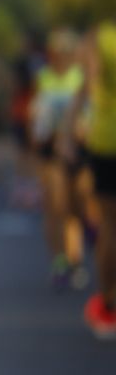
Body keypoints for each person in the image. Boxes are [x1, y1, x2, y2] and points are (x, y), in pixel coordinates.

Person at [31, 28, 87, 290]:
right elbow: (36, 116)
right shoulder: (42, 78)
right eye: (57, 53)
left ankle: (76, 258)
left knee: (76, 207)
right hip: (51, 150)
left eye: (67, 53)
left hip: (79, 150)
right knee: (55, 207)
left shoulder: (82, 79)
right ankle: (59, 260)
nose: (61, 58)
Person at [70, 20, 116, 337]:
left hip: (107, 141)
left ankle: (108, 306)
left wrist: (70, 130)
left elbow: (86, 86)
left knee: (110, 226)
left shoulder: (101, 37)